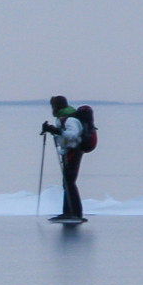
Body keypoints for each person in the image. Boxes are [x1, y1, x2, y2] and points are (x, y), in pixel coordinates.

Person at [40, 95, 86, 223]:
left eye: (53, 106)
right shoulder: (63, 118)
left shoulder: (70, 119)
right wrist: (52, 130)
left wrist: (57, 131)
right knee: (67, 182)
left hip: (74, 152)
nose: (52, 109)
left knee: (69, 182)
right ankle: (69, 212)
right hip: (69, 152)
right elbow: (64, 134)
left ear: (57, 106)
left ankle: (75, 213)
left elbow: (73, 134)